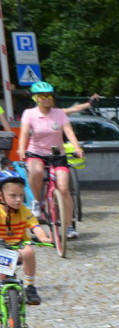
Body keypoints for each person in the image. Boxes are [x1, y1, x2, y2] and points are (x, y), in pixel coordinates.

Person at [17, 81, 83, 240]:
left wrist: (76, 147)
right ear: (36, 98)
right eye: (43, 96)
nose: (47, 99)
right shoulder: (29, 113)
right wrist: (21, 148)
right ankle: (37, 203)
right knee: (36, 171)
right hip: (36, 152)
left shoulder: (59, 113)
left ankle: (68, 226)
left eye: (49, 96)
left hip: (57, 155)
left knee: (64, 188)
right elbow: (25, 132)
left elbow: (69, 132)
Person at [0, 170, 51, 305]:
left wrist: (42, 237)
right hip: (1, 250)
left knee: (29, 251)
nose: (18, 199)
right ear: (1, 195)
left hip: (18, 247)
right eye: (13, 195)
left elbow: (35, 226)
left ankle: (30, 287)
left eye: (21, 195)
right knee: (2, 279)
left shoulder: (24, 210)